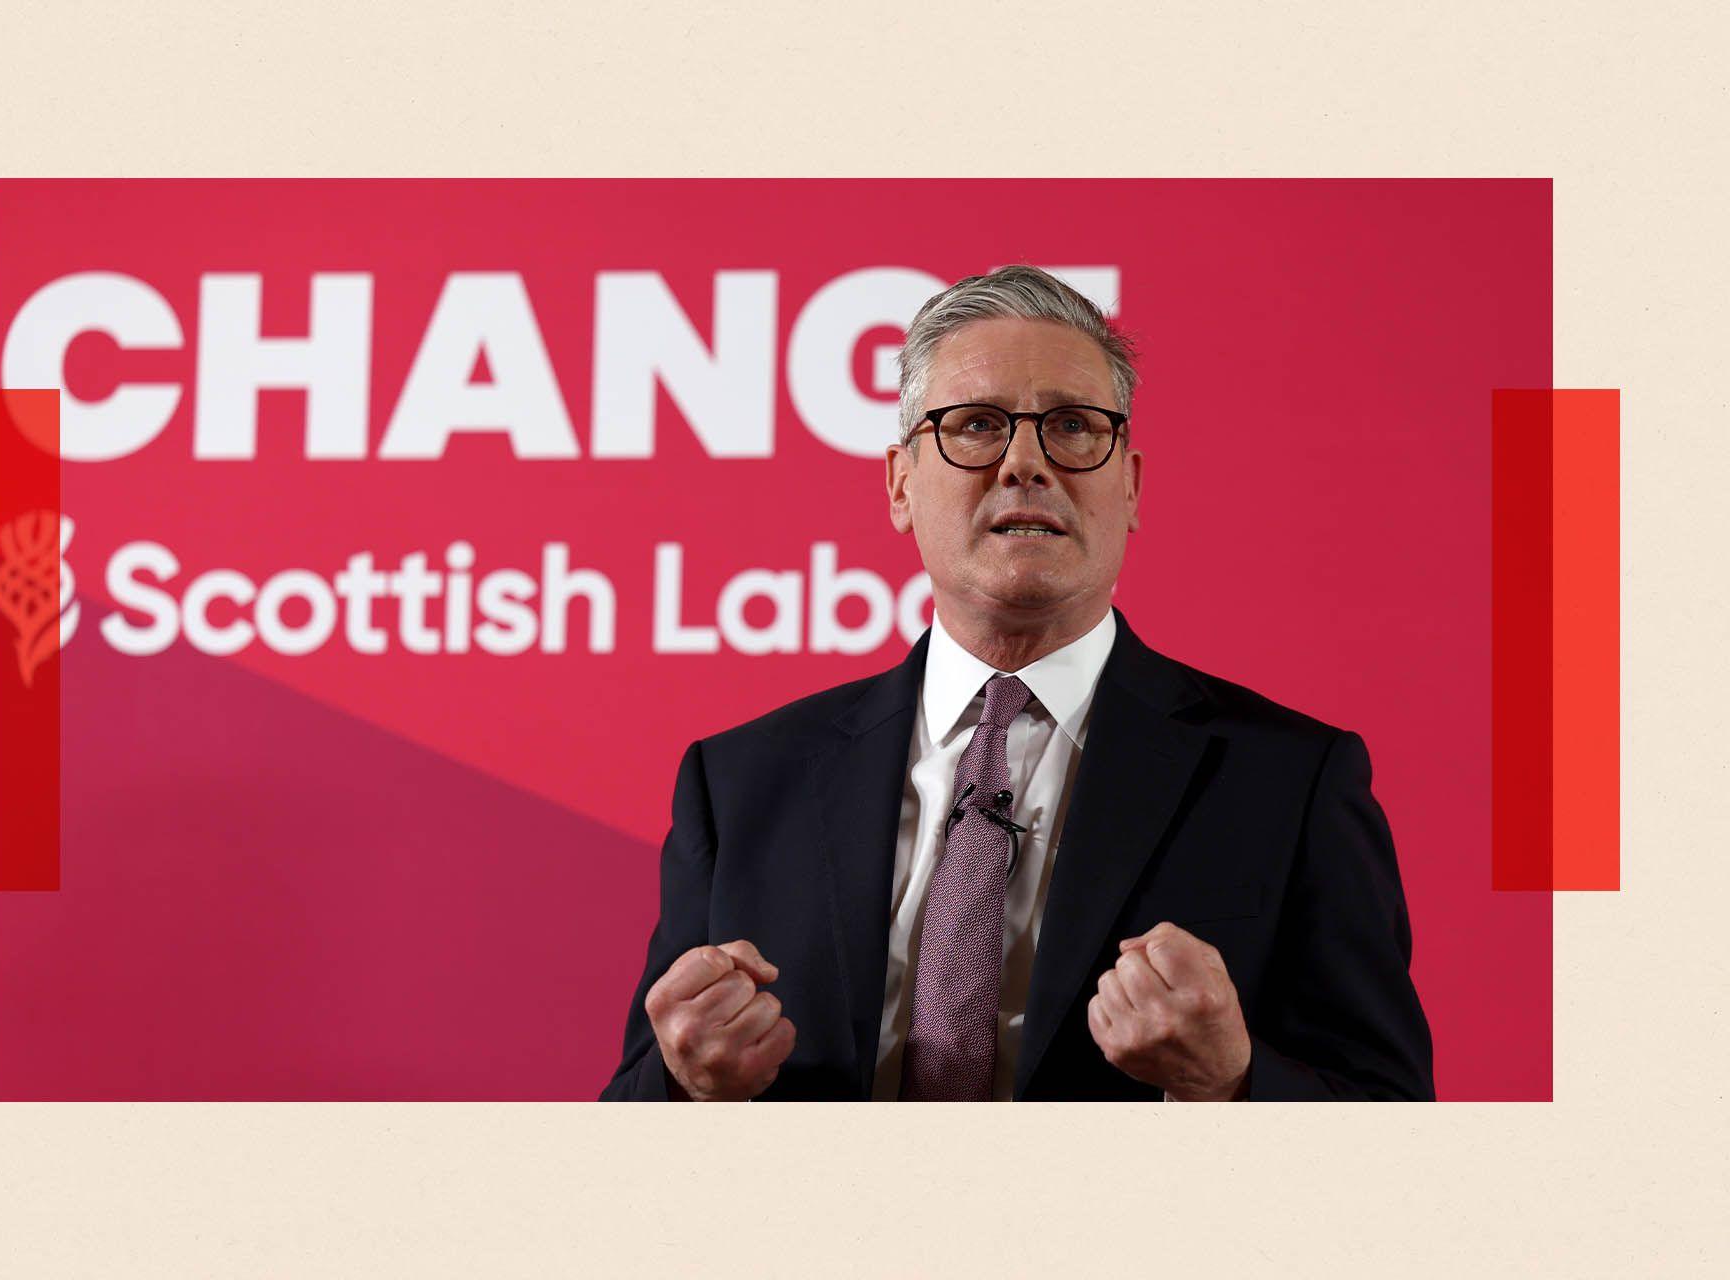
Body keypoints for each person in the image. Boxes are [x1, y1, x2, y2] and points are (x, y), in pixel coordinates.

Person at [599, 265, 1436, 1102]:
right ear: (900, 484)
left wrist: (1233, 1081)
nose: (1025, 463)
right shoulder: (742, 782)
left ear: (1132, 485)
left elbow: (1395, 1131)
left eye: (1073, 426)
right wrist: (684, 1087)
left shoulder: (1290, 782)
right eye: (975, 425)